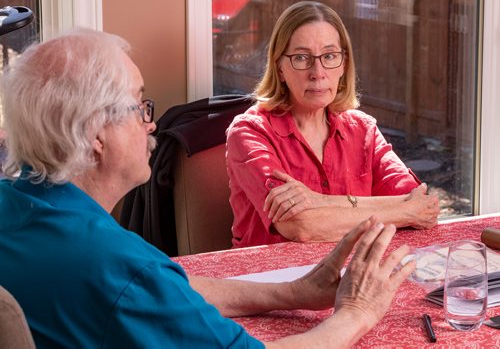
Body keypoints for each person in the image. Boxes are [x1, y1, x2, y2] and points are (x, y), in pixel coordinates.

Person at [0, 29, 415, 348]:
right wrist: (357, 313)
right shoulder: (116, 269)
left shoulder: (13, 203)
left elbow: (164, 288)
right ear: (96, 134)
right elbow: (140, 285)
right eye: (140, 105)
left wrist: (295, 292)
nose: (151, 124)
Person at [226, 1, 440, 248]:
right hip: (272, 280)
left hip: (352, 273)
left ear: (344, 64)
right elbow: (300, 224)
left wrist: (318, 201)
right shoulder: (250, 132)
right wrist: (401, 211)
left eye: (329, 56)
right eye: (301, 57)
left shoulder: (363, 129)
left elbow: (421, 204)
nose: (318, 72)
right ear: (280, 68)